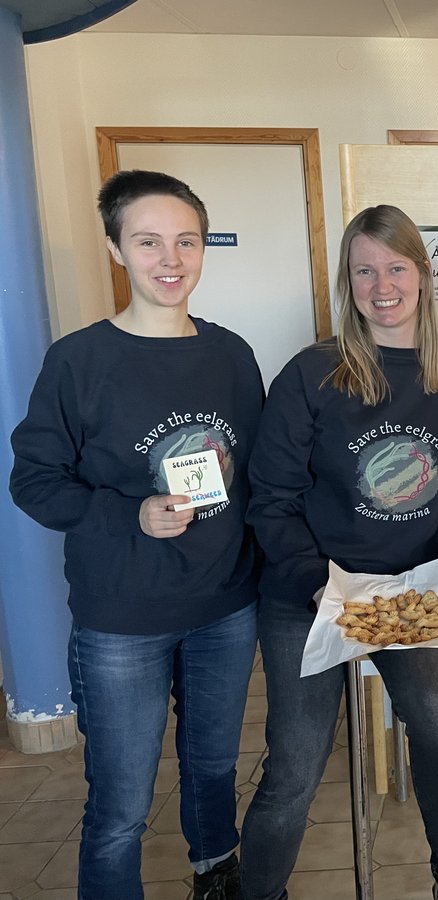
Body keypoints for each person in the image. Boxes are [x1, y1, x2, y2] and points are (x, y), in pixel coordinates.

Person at [9, 170, 263, 899]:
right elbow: (34, 482)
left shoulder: (231, 355)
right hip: (122, 621)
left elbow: (255, 472)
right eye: (148, 241)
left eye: (186, 240)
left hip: (225, 606)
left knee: (214, 768)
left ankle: (215, 877)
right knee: (120, 805)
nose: (170, 259)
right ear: (117, 248)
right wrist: (133, 514)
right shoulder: (79, 362)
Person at [239, 205, 438, 900]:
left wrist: (432, 578)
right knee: (295, 765)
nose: (381, 286)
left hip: (411, 591)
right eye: (363, 271)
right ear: (347, 283)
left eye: (395, 267)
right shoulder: (311, 375)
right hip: (311, 595)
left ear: (422, 273)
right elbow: (271, 497)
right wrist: (318, 585)